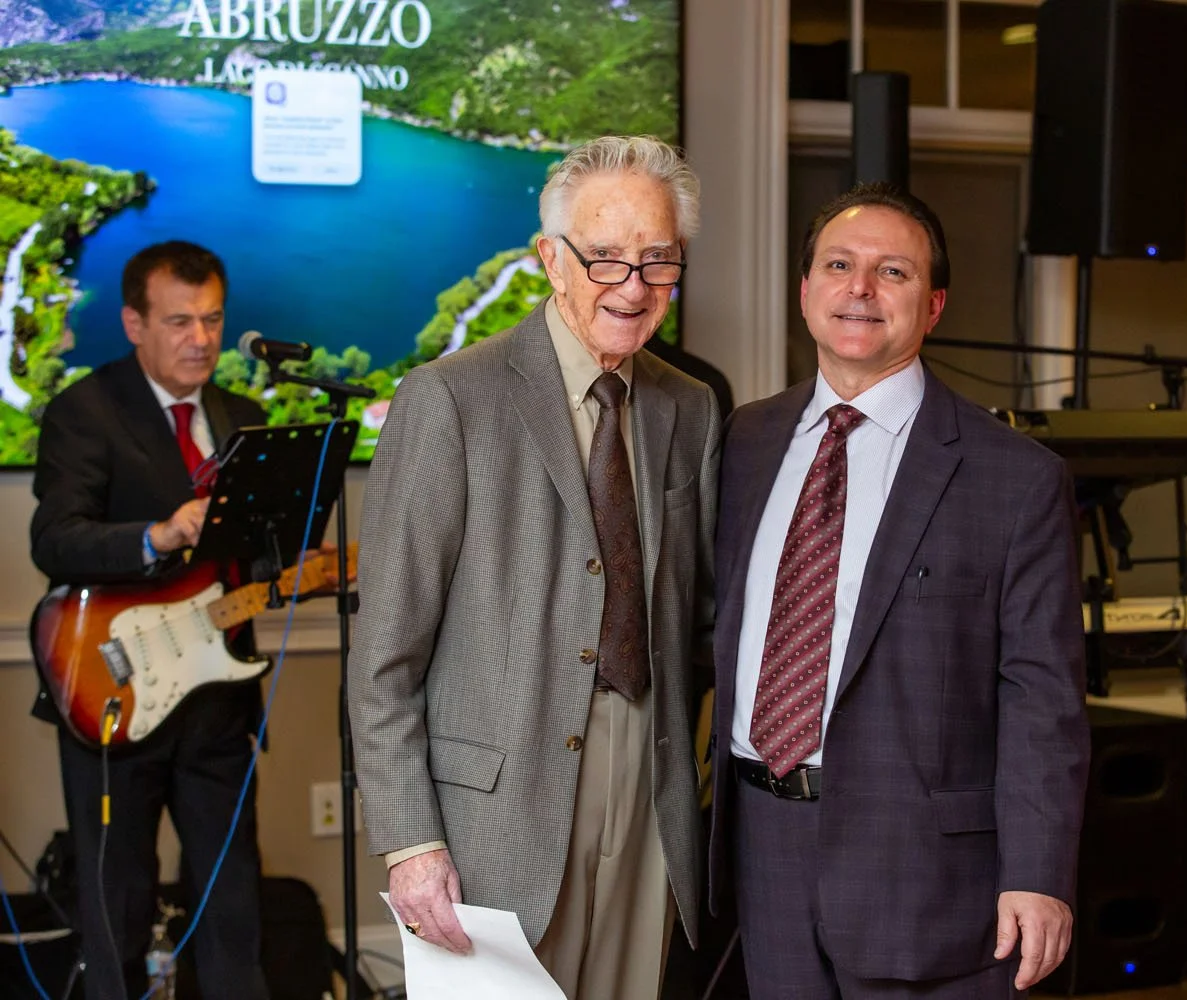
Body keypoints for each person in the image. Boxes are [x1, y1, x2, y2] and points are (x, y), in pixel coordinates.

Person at [349, 134, 720, 1000]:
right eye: (605, 260)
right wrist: (410, 842)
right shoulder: (448, 399)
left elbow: (696, 618)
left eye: (657, 261)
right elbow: (386, 656)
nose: (633, 287)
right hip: (494, 809)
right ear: (551, 259)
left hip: (647, 788)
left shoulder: (690, 408)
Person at [707, 183, 1091, 999]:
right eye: (839, 266)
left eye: (893, 272)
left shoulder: (1017, 479)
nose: (860, 290)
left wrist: (1039, 871)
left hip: (928, 874)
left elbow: (1043, 695)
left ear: (934, 304)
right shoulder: (744, 440)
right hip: (760, 845)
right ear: (806, 289)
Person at [30, 240, 271, 1000]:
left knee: (234, 917)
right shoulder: (84, 411)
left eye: (212, 320)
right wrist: (158, 536)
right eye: (178, 323)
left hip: (220, 711)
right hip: (114, 702)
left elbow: (259, 558)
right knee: (117, 916)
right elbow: (53, 541)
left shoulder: (247, 418)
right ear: (134, 323)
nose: (201, 341)